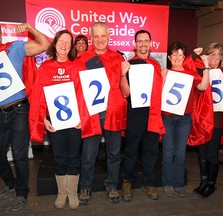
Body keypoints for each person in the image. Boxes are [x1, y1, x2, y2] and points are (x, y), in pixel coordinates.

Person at [0, 18, 50, 211]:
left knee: (20, 155)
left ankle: (22, 192)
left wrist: (30, 27)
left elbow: (45, 44)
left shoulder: (15, 48)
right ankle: (11, 182)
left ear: (1, 32)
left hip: (19, 110)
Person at [29, 30, 90, 209]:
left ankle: (72, 192)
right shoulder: (45, 67)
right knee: (58, 156)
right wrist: (43, 119)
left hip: (75, 121)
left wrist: (83, 117)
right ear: (55, 44)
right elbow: (38, 95)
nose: (64, 44)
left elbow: (86, 94)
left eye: (68, 42)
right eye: (61, 41)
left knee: (74, 156)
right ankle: (62, 192)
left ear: (71, 47)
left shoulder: (79, 66)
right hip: (53, 121)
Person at [77, 22, 127, 205]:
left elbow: (124, 89)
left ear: (109, 37)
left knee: (114, 153)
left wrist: (123, 75)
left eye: (103, 36)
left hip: (113, 113)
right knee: (88, 154)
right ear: (91, 38)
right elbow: (77, 89)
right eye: (96, 36)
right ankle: (85, 187)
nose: (99, 40)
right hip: (92, 115)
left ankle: (112, 184)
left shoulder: (118, 59)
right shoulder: (82, 59)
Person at [120, 30, 165, 202]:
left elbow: (159, 92)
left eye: (146, 40)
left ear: (151, 43)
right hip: (135, 114)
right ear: (135, 43)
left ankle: (148, 182)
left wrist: (165, 78)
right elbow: (125, 93)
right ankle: (127, 182)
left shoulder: (155, 65)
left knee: (151, 151)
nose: (143, 44)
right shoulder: (128, 65)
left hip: (152, 114)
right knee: (131, 150)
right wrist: (123, 74)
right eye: (140, 41)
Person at [160, 42, 210, 197]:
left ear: (183, 57)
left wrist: (206, 66)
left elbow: (202, 87)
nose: (177, 57)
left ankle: (178, 183)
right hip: (167, 118)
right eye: (174, 54)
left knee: (180, 153)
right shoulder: (165, 73)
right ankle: (168, 182)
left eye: (180, 54)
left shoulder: (190, 73)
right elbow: (159, 97)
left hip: (184, 119)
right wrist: (162, 79)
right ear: (169, 57)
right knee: (168, 152)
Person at [191, 42, 223, 198]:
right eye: (213, 53)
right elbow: (187, 64)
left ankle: (211, 184)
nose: (215, 57)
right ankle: (203, 182)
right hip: (202, 119)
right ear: (207, 55)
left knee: (212, 154)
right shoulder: (200, 70)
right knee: (202, 153)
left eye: (219, 55)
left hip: (216, 121)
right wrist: (193, 55)